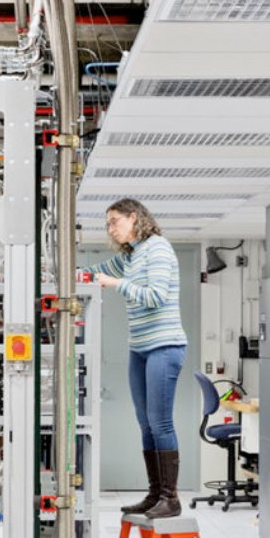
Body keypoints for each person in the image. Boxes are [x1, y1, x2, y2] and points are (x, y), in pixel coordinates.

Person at [91, 198, 188, 519]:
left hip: (164, 346)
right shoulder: (131, 257)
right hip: (140, 347)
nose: (111, 228)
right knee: (145, 423)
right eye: (108, 224)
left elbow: (156, 296)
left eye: (115, 221)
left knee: (160, 423)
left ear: (135, 218)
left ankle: (170, 499)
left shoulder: (157, 248)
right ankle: (154, 494)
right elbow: (95, 272)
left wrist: (116, 284)